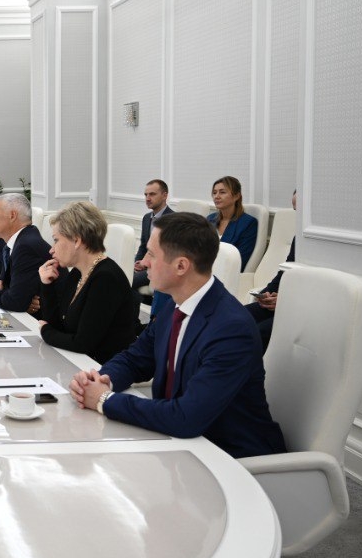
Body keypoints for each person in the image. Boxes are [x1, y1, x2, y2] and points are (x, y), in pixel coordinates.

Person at [69, 213, 286, 459]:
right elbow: (135, 359)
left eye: (152, 254)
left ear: (181, 266)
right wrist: (100, 380)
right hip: (181, 447)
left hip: (231, 459)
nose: (144, 262)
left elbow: (186, 418)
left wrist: (104, 400)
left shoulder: (231, 329)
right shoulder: (177, 305)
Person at [36, 202, 142, 364]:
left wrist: (45, 331)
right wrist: (47, 285)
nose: (52, 249)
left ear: (77, 240)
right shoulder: (77, 272)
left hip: (105, 369)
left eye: (56, 240)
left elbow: (82, 343)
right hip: (82, 363)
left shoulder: (106, 278)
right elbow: (59, 327)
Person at [245, 190, 297, 350]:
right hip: (279, 302)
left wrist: (285, 300)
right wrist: (265, 294)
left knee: (258, 333)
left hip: (301, 308)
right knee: (237, 317)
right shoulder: (299, 239)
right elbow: (284, 272)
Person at [0, 192, 51, 314]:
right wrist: (11, 296)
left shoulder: (26, 246)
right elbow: (9, 291)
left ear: (12, 216)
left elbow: (16, 301)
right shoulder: (21, 239)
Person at [209, 175, 259, 270]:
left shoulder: (248, 223)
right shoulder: (210, 219)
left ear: (237, 196)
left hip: (227, 272)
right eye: (214, 193)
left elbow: (240, 259)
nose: (217, 196)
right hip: (204, 269)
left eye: (222, 192)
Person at [132, 179, 172, 289]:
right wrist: (136, 264)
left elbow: (167, 253)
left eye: (152, 194)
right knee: (119, 275)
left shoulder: (173, 220)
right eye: (146, 195)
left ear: (164, 195)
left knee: (127, 281)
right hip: (145, 265)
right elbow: (143, 246)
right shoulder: (146, 218)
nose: (148, 198)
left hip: (160, 269)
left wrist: (145, 264)